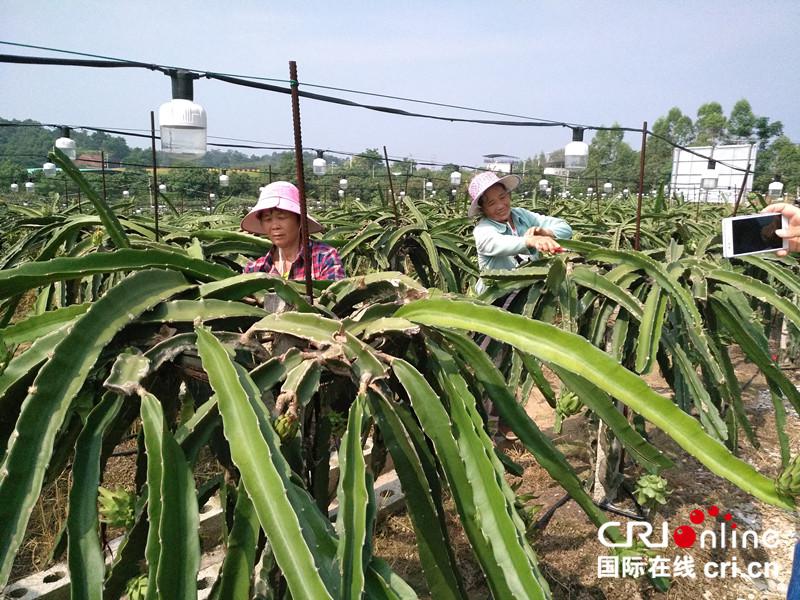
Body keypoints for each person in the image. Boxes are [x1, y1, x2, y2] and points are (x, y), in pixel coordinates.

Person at [469, 171, 573, 294]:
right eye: (491, 203)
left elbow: (565, 228)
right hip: (496, 298)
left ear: (509, 195)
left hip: (529, 292)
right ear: (483, 209)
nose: (500, 205)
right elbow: (497, 243)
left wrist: (547, 232)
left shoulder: (521, 215)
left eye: (502, 197)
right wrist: (530, 241)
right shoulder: (482, 230)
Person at [240, 181, 345, 280]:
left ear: (299, 220)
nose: (275, 226)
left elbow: (335, 296)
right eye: (267, 219)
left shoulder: (324, 257)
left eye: (281, 217)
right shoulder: (254, 271)